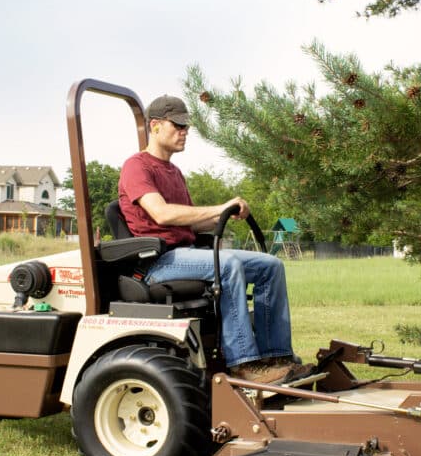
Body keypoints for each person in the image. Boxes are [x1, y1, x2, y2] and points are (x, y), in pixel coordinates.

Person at [118, 94, 309, 384]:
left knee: (270, 266)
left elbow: (193, 221)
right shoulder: (137, 166)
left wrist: (226, 214)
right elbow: (162, 214)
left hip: (186, 253)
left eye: (186, 127)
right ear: (155, 126)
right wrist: (219, 209)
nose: (184, 132)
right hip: (157, 262)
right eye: (178, 126)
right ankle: (244, 364)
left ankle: (276, 357)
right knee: (229, 263)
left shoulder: (174, 171)